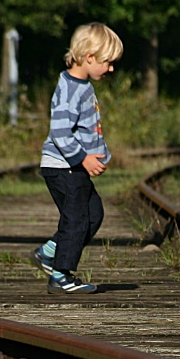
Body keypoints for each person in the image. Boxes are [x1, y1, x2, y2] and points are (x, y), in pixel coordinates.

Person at [30, 23, 123, 294]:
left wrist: (102, 154)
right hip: (65, 167)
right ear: (89, 57)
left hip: (72, 167)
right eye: (108, 62)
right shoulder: (71, 89)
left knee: (93, 214)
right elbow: (59, 132)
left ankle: (49, 253)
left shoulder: (81, 86)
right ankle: (60, 275)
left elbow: (88, 128)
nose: (111, 69)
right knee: (77, 220)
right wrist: (83, 159)